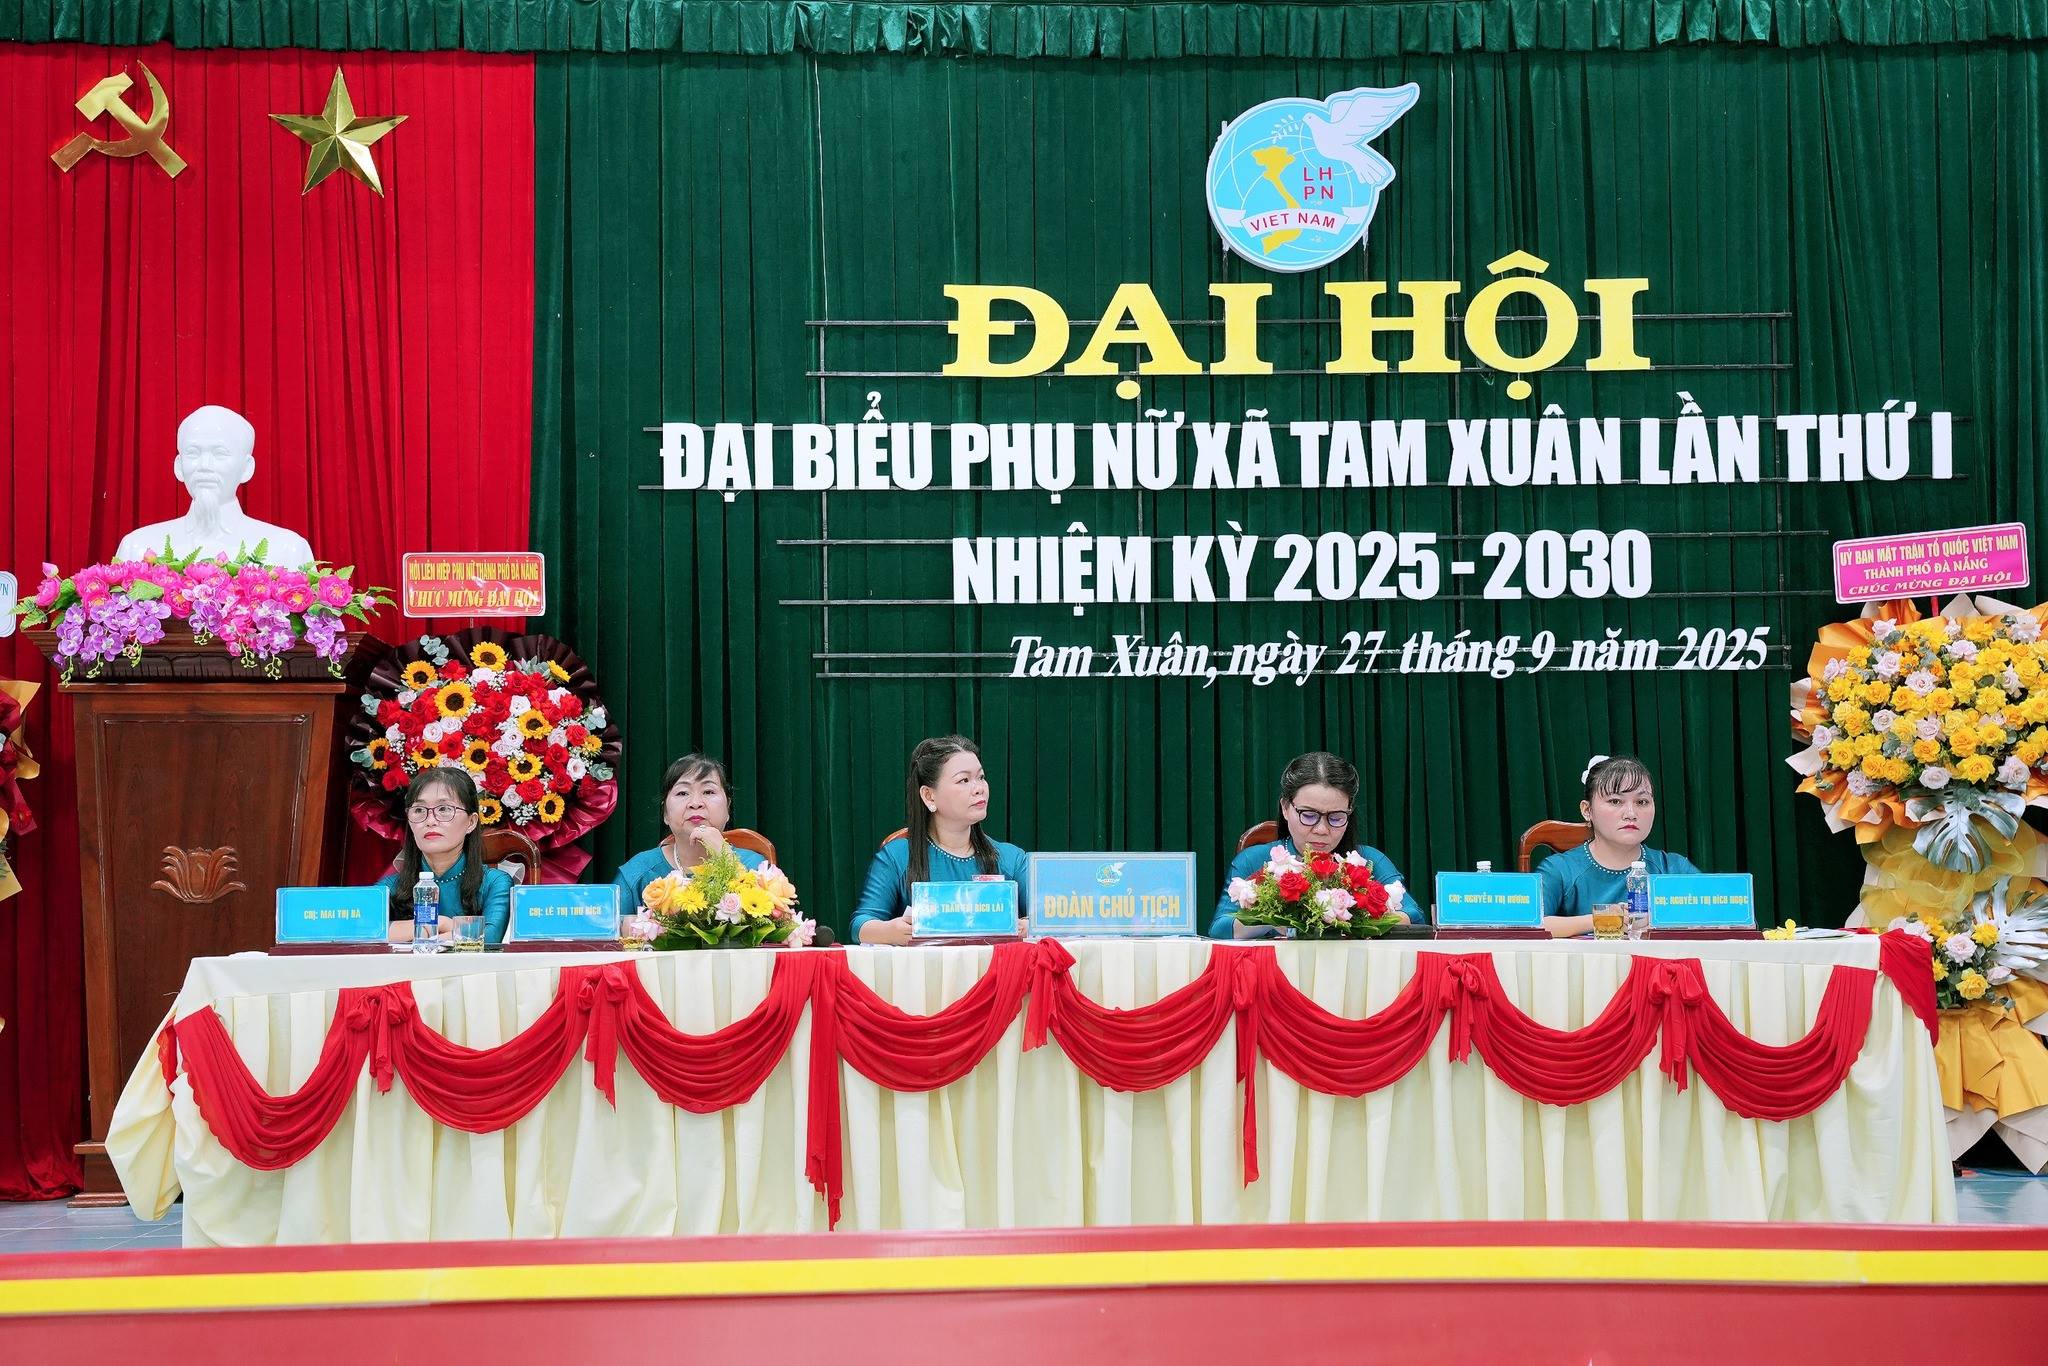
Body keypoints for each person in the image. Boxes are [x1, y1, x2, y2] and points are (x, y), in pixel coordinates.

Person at [1209, 752, 1412, 938]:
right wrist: (1275, 918)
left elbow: (1413, 915)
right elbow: (1219, 929)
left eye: (1336, 817)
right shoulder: (1253, 859)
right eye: (1308, 815)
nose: (1321, 829)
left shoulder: (1367, 861)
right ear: (1285, 808)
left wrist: (1347, 917)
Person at [853, 735, 1029, 945]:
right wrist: (891, 931)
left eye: (981, 777)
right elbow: (860, 925)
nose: (979, 788)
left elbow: (1047, 918)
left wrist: (1030, 926)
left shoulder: (1011, 858)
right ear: (929, 796)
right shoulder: (897, 856)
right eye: (964, 780)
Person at [113, 405, 316, 565]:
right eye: (193, 453)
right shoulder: (137, 547)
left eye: (220, 453)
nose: (205, 466)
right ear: (179, 466)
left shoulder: (288, 550)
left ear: (247, 468)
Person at [1538, 754, 1700, 937]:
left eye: (1642, 802)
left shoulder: (1673, 868)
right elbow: (1532, 925)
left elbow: (1716, 914)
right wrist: (1606, 919)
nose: (1631, 813)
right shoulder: (1559, 870)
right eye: (1615, 801)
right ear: (1587, 810)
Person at [378, 767, 515, 945]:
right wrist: (439, 924)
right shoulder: (391, 886)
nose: (430, 821)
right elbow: (362, 931)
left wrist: (420, 932)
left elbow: (489, 937)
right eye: (419, 810)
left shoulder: (495, 882)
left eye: (444, 809)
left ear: (471, 822)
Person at [615, 754, 768, 911]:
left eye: (708, 792)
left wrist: (724, 855)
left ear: (727, 808)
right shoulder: (638, 873)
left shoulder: (755, 867)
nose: (695, 803)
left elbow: (767, 919)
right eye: (682, 793)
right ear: (665, 813)